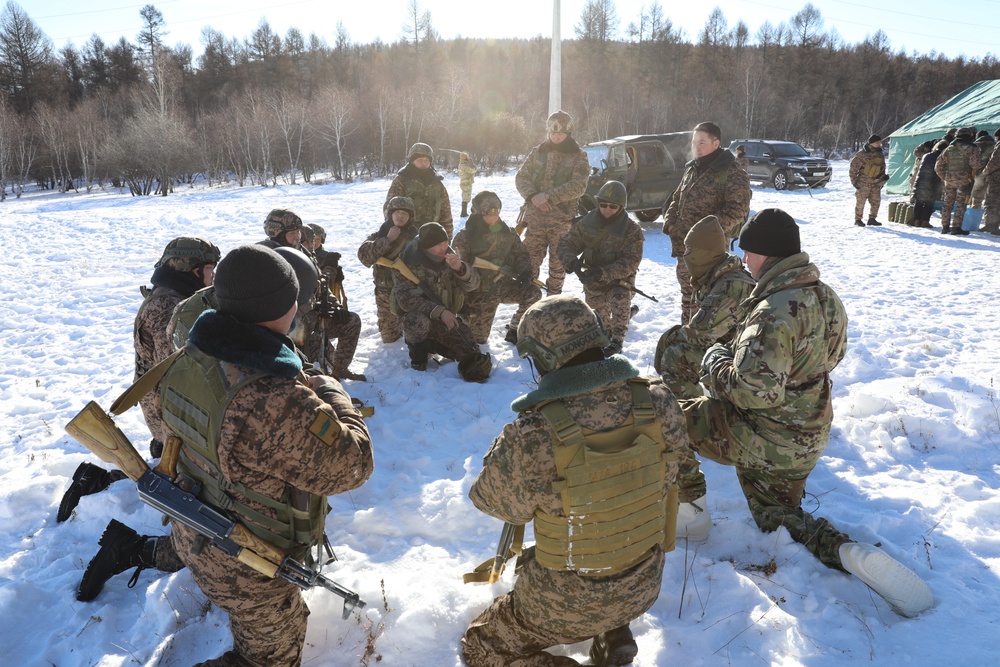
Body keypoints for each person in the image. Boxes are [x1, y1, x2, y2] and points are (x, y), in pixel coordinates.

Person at [679, 208, 933, 618]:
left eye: (747, 251)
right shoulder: (825, 294)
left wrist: (715, 362)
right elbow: (833, 355)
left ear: (766, 253)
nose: (743, 259)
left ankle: (687, 513)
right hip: (807, 436)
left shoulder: (771, 310)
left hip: (760, 434)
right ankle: (844, 551)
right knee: (774, 518)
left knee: (665, 420)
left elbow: (750, 391)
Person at [160, 244, 374, 667]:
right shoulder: (273, 398)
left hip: (194, 532)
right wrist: (330, 390)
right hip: (249, 567)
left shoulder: (190, 353)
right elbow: (354, 465)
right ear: (284, 306)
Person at [462, 294, 690, 667]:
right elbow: (676, 466)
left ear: (543, 360)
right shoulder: (658, 401)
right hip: (642, 583)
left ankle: (598, 633)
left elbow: (492, 503)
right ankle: (614, 628)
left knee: (478, 647)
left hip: (563, 606)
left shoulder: (533, 432)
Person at [57, 237, 221, 526]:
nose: (213, 276)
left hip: (166, 404)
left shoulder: (174, 296)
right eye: (209, 268)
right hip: (167, 410)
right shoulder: (168, 305)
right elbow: (178, 368)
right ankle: (101, 482)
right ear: (190, 268)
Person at [653, 215, 755, 400]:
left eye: (691, 249)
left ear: (707, 252)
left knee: (677, 357)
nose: (686, 255)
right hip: (733, 349)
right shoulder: (716, 277)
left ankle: (689, 415)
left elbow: (700, 334)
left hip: (750, 362)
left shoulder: (731, 286)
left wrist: (670, 337)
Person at [661, 121, 751, 323]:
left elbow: (737, 210)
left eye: (702, 142)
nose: (697, 147)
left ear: (716, 143)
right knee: (687, 297)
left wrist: (705, 232)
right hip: (684, 248)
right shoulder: (692, 168)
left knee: (707, 300)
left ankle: (701, 340)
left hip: (709, 252)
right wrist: (670, 223)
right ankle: (687, 337)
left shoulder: (732, 171)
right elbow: (676, 198)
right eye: (694, 142)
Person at [392, 222, 492, 382]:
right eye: (438, 244)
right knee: (415, 320)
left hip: (447, 319)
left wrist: (460, 268)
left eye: (446, 243)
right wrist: (440, 311)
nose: (444, 247)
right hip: (423, 319)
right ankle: (418, 359)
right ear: (426, 246)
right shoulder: (407, 264)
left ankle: (436, 345)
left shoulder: (450, 258)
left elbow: (473, 285)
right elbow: (405, 300)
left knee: (470, 353)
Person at [557, 181, 644, 356]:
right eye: (603, 204)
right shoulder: (585, 222)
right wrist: (573, 262)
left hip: (619, 278)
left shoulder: (632, 230)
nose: (607, 209)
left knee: (620, 299)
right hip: (592, 278)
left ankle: (618, 340)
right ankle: (622, 319)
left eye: (613, 206)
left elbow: (631, 262)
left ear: (621, 207)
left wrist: (603, 273)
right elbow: (565, 244)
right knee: (600, 322)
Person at [515, 110, 591, 294]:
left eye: (561, 134)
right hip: (535, 220)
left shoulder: (579, 156)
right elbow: (521, 178)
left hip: (561, 221)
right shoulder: (538, 152)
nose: (556, 137)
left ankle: (553, 302)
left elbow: (578, 186)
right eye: (553, 133)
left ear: (568, 133)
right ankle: (528, 304)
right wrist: (534, 196)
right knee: (529, 262)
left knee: (558, 265)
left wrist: (549, 196)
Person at [453, 191, 541, 345]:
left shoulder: (508, 233)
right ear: (479, 212)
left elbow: (522, 255)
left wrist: (525, 272)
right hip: (478, 294)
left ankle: (515, 329)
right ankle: (464, 320)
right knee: (479, 340)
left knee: (533, 293)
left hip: (503, 286)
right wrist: (462, 303)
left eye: (496, 211)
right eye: (487, 212)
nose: (492, 216)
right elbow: (458, 272)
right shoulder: (465, 237)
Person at [357, 196, 420, 343]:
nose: (400, 216)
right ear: (390, 214)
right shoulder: (380, 234)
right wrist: (388, 240)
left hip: (412, 292)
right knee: (389, 338)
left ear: (410, 216)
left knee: (417, 334)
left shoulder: (417, 237)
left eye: (404, 213)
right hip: (385, 293)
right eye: (396, 212)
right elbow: (364, 256)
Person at [384, 142, 454, 237]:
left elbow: (446, 213)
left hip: (432, 236)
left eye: (427, 160)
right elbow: (389, 210)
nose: (424, 163)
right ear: (412, 160)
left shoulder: (437, 183)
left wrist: (447, 237)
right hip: (406, 236)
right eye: (420, 160)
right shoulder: (401, 180)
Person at [934, 126, 984, 235]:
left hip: (949, 181)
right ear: (969, 136)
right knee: (961, 204)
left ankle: (945, 226)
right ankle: (956, 227)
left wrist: (945, 177)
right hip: (965, 181)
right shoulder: (972, 148)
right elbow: (976, 164)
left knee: (947, 204)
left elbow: (938, 167)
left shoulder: (948, 149)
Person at [849, 134, 888, 227]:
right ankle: (858, 219)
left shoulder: (880, 154)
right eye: (877, 142)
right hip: (863, 183)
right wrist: (854, 182)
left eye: (880, 142)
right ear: (872, 143)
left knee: (876, 202)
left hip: (875, 183)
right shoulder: (862, 154)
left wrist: (882, 180)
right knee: (861, 202)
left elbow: (882, 167)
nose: (879, 144)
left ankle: (872, 219)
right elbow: (853, 169)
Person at [912, 140, 949, 228]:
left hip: (920, 181)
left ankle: (916, 221)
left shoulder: (926, 155)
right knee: (929, 203)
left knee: (919, 202)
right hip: (933, 183)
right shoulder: (942, 157)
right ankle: (925, 221)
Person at [971, 130, 996, 209]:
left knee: (977, 197)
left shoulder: (975, 145)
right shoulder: (995, 145)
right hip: (994, 173)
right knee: (992, 198)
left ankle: (975, 212)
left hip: (978, 174)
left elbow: (972, 160)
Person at [982, 130, 1000, 235]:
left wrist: (985, 172)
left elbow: (995, 162)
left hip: (996, 179)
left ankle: (991, 225)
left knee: (992, 201)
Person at [459, 152, 476, 218]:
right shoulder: (464, 165)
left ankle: (464, 212)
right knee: (466, 197)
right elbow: (473, 170)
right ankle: (463, 213)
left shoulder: (462, 164)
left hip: (465, 182)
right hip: (466, 183)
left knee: (465, 197)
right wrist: (472, 164)